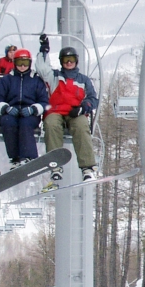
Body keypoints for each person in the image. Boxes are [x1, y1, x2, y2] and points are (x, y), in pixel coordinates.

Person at [35, 35, 98, 187]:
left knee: (82, 126)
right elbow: (42, 68)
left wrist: (83, 107)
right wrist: (43, 50)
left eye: (71, 60)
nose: (68, 63)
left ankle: (87, 167)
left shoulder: (83, 80)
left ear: (76, 61)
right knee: (50, 124)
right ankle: (55, 164)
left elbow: (93, 99)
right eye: (65, 60)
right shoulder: (55, 77)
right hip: (56, 111)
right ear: (62, 62)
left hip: (75, 112)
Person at [0, 49, 50, 169]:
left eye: (25, 63)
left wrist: (33, 109)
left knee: (25, 124)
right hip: (10, 111)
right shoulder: (7, 80)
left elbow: (44, 101)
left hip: (29, 113)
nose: (22, 66)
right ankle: (15, 157)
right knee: (8, 123)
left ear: (29, 63)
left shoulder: (36, 80)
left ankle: (29, 156)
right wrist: (5, 108)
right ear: (14, 63)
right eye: (19, 63)